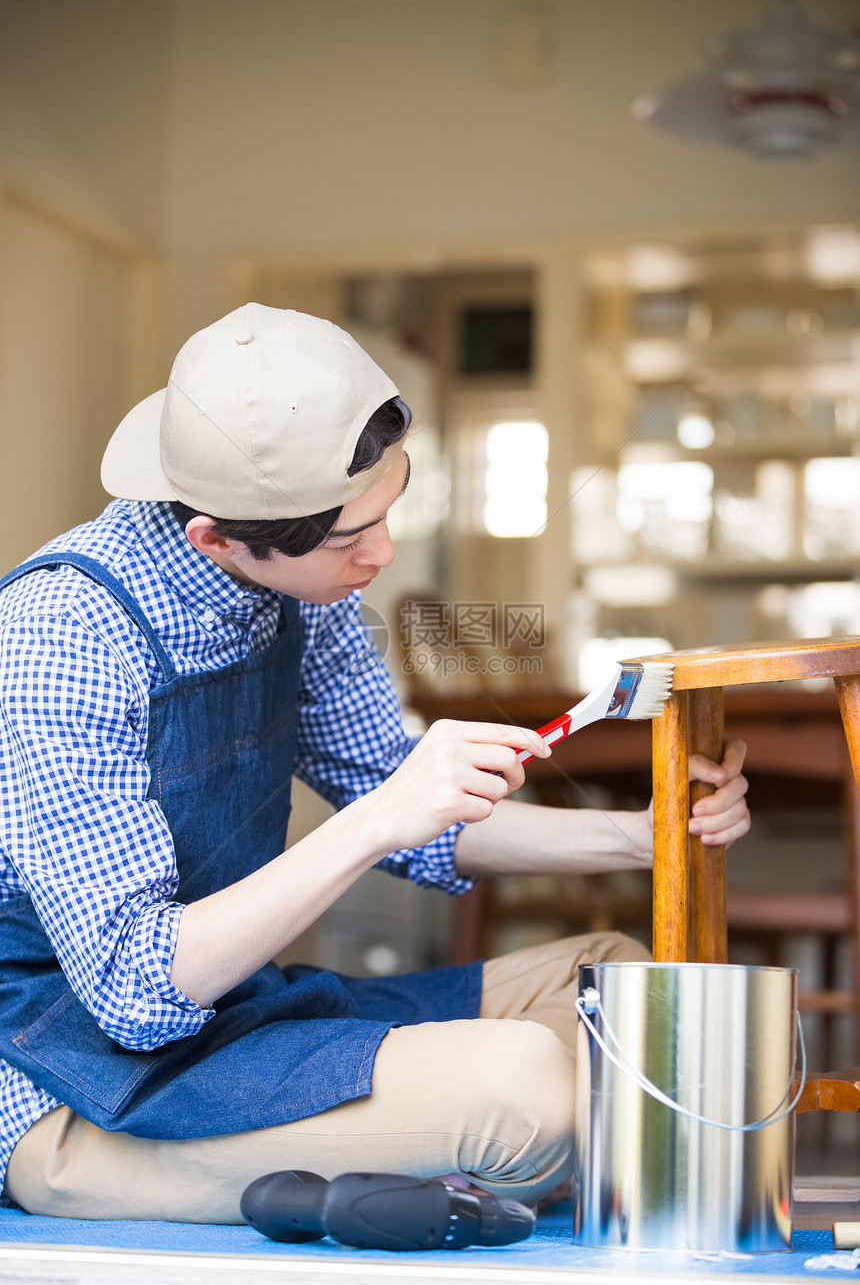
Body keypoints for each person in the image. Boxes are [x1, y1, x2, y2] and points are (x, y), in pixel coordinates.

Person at [0, 304, 749, 1224]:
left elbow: (415, 808)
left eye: (388, 511)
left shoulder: (294, 586)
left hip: (237, 1011)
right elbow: (133, 994)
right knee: (529, 1088)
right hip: (74, 1067)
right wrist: (381, 817)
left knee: (616, 983)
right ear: (218, 537)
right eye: (349, 538)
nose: (383, 556)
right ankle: (100, 1171)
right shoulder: (64, 633)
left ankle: (427, 1174)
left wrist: (642, 837)